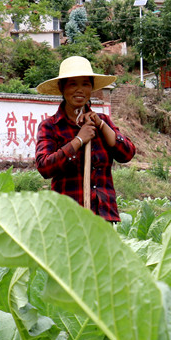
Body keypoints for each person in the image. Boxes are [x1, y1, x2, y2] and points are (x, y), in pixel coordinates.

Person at [35, 56, 136, 222]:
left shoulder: (102, 121)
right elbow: (44, 167)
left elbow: (127, 154)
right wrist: (78, 140)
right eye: (73, 84)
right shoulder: (51, 126)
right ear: (62, 88)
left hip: (103, 217)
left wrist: (102, 126)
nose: (79, 90)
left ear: (91, 88)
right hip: (66, 219)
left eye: (85, 84)